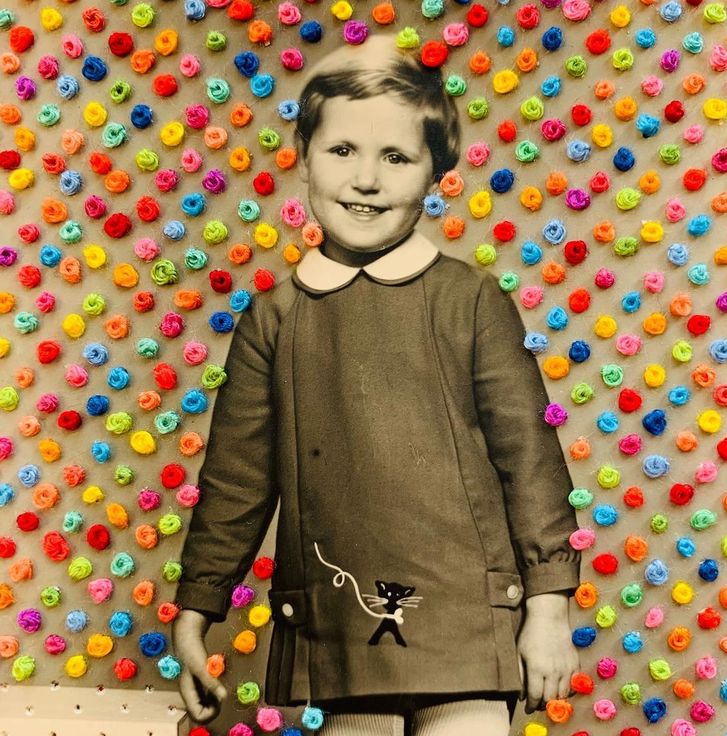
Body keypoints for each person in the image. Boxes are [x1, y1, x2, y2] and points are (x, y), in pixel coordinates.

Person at [174, 35, 580, 736]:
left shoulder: (469, 300)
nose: (366, 179)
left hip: (465, 624)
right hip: (338, 621)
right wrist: (196, 611)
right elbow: (236, 479)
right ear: (304, 162)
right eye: (342, 152)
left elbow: (530, 461)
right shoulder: (276, 318)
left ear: (435, 176)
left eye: (395, 157)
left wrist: (549, 608)